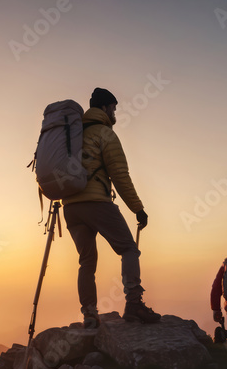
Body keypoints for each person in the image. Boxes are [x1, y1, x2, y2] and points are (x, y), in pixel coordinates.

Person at [61, 87, 161, 327]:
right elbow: (120, 175)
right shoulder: (104, 134)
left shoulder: (73, 135)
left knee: (87, 261)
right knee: (128, 249)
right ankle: (134, 304)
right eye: (114, 108)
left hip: (70, 207)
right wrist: (138, 208)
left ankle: (89, 314)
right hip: (96, 202)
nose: (115, 112)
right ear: (105, 108)